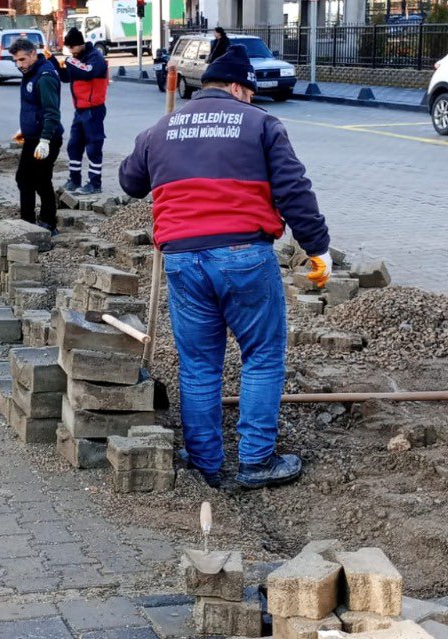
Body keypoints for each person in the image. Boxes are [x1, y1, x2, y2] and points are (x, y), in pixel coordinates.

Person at [118, 44, 332, 491]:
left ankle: (205, 464)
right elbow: (294, 189)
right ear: (237, 87)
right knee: (262, 356)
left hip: (181, 258)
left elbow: (130, 182)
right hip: (243, 257)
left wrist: (161, 146)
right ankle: (255, 461)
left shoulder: (162, 127)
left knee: (198, 365)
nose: (250, 100)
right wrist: (318, 247)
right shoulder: (261, 124)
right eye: (248, 92)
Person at [9, 37, 62, 231]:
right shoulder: (31, 72)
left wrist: (45, 140)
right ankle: (29, 221)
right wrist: (25, 128)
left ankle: (47, 223)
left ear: (33, 54)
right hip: (34, 136)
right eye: (15, 61)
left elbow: (51, 111)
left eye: (22, 59)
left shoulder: (44, 76)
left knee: (39, 180)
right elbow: (33, 107)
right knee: (25, 178)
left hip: (46, 138)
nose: (18, 64)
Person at [57, 28, 109, 195]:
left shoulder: (95, 58)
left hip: (93, 109)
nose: (70, 52)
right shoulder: (76, 58)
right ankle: (74, 179)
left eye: (71, 48)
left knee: (93, 147)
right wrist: (52, 61)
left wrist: (70, 62)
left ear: (78, 45)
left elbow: (88, 72)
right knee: (74, 146)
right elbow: (66, 77)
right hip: (79, 110)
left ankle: (95, 183)